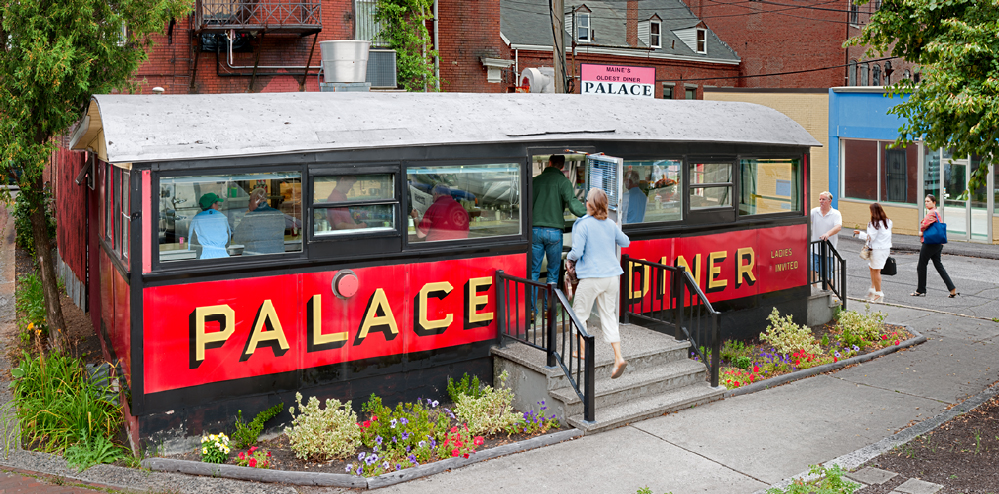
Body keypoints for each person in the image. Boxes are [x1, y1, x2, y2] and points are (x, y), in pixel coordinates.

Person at [566, 188, 631, 378]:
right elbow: (625, 242)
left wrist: (568, 257)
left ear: (589, 204)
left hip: (592, 277)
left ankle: (583, 351)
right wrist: (615, 228)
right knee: (609, 316)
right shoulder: (610, 224)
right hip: (611, 277)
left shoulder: (583, 224)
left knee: (579, 315)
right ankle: (618, 357)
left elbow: (577, 252)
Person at [531, 155, 587, 316]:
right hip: (554, 232)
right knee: (553, 272)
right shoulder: (563, 182)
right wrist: (591, 213)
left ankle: (531, 311)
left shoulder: (536, 181)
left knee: (534, 271)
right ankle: (549, 310)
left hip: (535, 230)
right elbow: (574, 206)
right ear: (562, 166)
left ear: (549, 163)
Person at [912, 194, 958, 297]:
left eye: (928, 201)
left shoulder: (932, 212)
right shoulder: (936, 213)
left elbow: (924, 225)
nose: (926, 203)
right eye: (925, 201)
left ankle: (921, 290)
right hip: (938, 244)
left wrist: (922, 231)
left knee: (921, 265)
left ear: (934, 202)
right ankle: (952, 288)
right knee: (938, 266)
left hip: (930, 244)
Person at [853, 203, 892, 303]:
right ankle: (873, 289)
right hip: (885, 248)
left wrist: (859, 233)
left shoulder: (873, 224)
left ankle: (878, 293)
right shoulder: (888, 221)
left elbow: (871, 237)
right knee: (872, 267)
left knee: (876, 270)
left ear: (872, 212)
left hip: (877, 249)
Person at [233, 188, 284, 255]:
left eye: (250, 200)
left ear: (257, 199)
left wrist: (245, 218)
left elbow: (237, 238)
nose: (248, 204)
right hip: (277, 259)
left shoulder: (250, 217)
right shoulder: (279, 214)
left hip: (256, 260)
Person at [810, 191, 842, 286]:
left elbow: (838, 227)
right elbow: (805, 220)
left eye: (823, 199)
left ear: (830, 201)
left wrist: (827, 234)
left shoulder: (835, 214)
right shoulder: (814, 212)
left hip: (828, 250)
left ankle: (828, 294)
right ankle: (814, 289)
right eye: (820, 199)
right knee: (811, 270)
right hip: (814, 248)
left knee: (827, 274)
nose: (821, 201)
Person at [188, 192, 232, 259]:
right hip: (223, 257)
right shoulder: (222, 217)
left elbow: (192, 243)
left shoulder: (196, 219)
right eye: (217, 203)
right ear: (213, 204)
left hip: (203, 257)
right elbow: (228, 242)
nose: (218, 205)